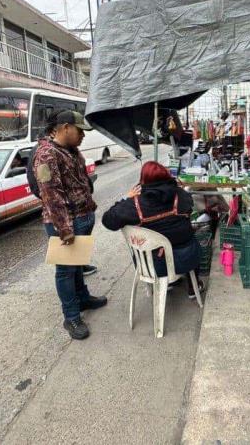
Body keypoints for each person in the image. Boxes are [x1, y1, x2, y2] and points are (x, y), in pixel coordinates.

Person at [32, 110, 107, 340]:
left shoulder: (71, 151)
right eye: (80, 130)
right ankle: (71, 317)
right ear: (65, 127)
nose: (83, 136)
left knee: (78, 264)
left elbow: (80, 182)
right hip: (65, 223)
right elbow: (51, 196)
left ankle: (83, 298)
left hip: (82, 217)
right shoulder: (47, 155)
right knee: (65, 271)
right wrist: (65, 229)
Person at [101, 161, 204, 298]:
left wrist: (126, 197)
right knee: (190, 237)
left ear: (143, 180)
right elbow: (189, 208)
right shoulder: (181, 195)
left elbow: (108, 221)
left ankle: (165, 283)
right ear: (167, 176)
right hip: (185, 260)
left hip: (153, 266)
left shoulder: (134, 204)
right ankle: (193, 286)